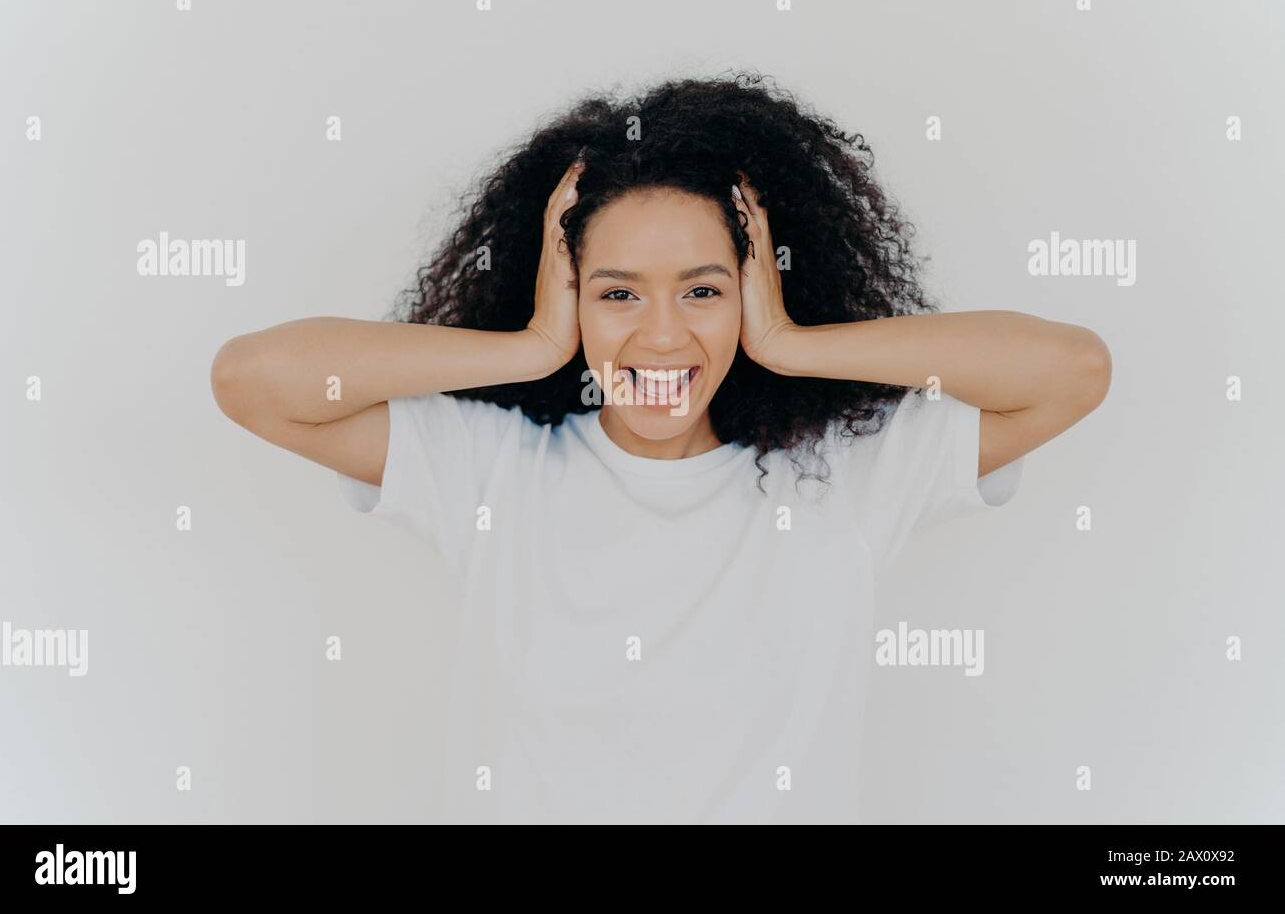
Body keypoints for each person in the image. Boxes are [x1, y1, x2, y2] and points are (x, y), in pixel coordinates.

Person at [210, 72, 1111, 823]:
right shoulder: (490, 468)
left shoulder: (847, 474)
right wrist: (527, 348)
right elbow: (252, 379)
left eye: (704, 291)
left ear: (757, 293)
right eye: (617, 294)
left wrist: (792, 344)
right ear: (567, 298)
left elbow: (1071, 369)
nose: (662, 337)